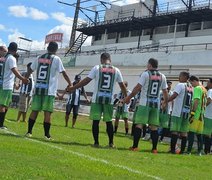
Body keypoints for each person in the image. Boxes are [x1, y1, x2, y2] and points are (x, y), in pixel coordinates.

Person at [67, 52, 127, 147]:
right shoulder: (116, 70)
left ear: (101, 59)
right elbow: (122, 85)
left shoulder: (97, 68)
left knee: (96, 121)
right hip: (109, 100)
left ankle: (96, 143)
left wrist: (74, 87)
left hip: (97, 99)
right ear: (110, 60)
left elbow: (86, 81)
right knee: (108, 121)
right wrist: (126, 96)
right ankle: (111, 143)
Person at [25, 41, 72, 139]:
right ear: (56, 49)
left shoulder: (39, 58)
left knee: (34, 110)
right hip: (49, 90)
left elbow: (30, 69)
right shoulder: (56, 59)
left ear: (47, 48)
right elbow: (64, 73)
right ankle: (47, 135)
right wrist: (70, 84)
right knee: (47, 112)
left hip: (38, 89)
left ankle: (29, 132)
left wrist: (25, 78)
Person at [125, 58, 168, 153]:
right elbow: (165, 91)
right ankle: (154, 149)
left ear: (150, 65)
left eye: (147, 64)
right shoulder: (162, 76)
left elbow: (138, 87)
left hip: (145, 103)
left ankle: (135, 146)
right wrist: (165, 102)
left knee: (139, 124)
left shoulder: (146, 74)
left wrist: (129, 97)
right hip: (155, 104)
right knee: (154, 127)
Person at [0, 42, 29, 129]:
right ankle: (0, 125)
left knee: (5, 105)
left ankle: (1, 122)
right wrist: (23, 79)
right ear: (16, 50)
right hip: (6, 86)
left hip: (2, 84)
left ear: (8, 48)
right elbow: (14, 70)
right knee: (3, 105)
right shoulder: (11, 58)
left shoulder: (3, 57)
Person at [168, 72, 193, 154]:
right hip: (186, 113)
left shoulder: (180, 85)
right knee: (184, 132)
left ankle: (172, 150)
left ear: (185, 77)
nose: (179, 77)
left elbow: (174, 95)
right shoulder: (191, 87)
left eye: (180, 76)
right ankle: (182, 151)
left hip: (178, 112)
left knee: (175, 131)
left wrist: (166, 101)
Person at [187, 75, 207, 155]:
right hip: (202, 116)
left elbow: (196, 101)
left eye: (191, 83)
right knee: (199, 135)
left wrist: (192, 113)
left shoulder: (197, 88)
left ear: (194, 81)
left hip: (196, 114)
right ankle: (199, 152)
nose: (192, 85)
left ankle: (188, 151)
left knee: (191, 133)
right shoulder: (204, 89)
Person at [203, 78, 212, 154]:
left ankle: (207, 151)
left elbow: (209, 100)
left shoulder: (210, 91)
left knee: (207, 134)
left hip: (209, 116)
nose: (207, 83)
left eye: (208, 82)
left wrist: (203, 107)